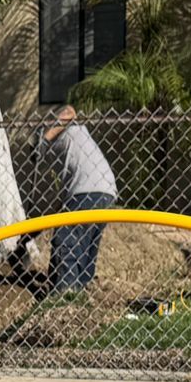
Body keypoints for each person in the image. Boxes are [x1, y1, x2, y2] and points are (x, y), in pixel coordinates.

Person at [37, 104, 117, 291]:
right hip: (104, 191)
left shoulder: (70, 127)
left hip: (89, 190)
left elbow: (69, 111)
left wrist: (44, 140)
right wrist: (29, 234)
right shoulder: (66, 149)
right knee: (85, 246)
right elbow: (60, 201)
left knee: (67, 239)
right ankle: (81, 291)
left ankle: (65, 293)